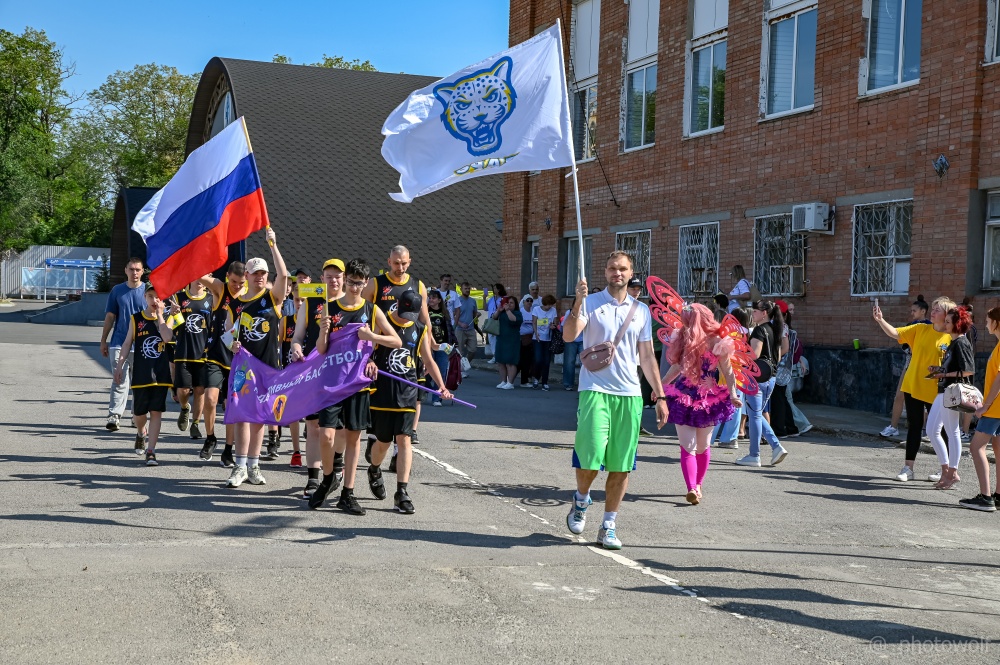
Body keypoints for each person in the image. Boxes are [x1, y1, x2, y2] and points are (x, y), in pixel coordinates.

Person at [561, 251, 669, 550]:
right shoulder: (591, 302)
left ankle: (608, 523)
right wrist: (577, 303)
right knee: (591, 453)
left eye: (622, 269)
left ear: (631, 272)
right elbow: (570, 337)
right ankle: (581, 499)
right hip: (595, 390)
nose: (616, 273)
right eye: (611, 268)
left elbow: (646, 356)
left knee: (622, 464)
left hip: (629, 394)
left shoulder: (641, 310)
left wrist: (660, 396)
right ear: (605, 272)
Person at [307, 258, 402, 515]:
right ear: (345, 279)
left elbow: (396, 340)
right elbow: (322, 350)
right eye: (351, 282)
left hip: (357, 385)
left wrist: (372, 337)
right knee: (326, 435)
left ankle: (348, 493)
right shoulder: (330, 307)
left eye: (360, 283)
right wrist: (322, 332)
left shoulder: (371, 310)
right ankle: (328, 479)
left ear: (366, 283)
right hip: (331, 383)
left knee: (353, 438)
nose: (355, 287)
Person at [367, 290, 452, 514]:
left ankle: (402, 492)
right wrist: (369, 361)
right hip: (383, 392)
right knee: (383, 442)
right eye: (404, 313)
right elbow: (366, 351)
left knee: (404, 440)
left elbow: (428, 360)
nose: (407, 318)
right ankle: (374, 469)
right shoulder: (383, 323)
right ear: (397, 305)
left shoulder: (420, 329)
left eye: (411, 314)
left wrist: (441, 386)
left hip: (407, 392)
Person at [661, 303, 742, 504]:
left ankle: (697, 485)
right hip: (686, 396)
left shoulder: (717, 342)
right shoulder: (684, 338)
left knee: (701, 446)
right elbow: (678, 367)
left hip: (705, 398)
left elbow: (728, 370)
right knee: (690, 446)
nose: (684, 323)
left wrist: (732, 393)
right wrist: (659, 386)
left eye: (686, 319)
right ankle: (692, 488)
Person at [226, 227, 288, 488]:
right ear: (247, 276)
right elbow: (227, 335)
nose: (261, 277)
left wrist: (272, 244)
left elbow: (284, 274)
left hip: (268, 367)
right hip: (243, 367)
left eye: (264, 273)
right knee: (242, 414)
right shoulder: (236, 303)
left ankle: (253, 465)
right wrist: (233, 343)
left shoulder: (273, 298)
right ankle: (239, 466)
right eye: (256, 273)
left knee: (260, 416)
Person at [362, 245, 432, 459]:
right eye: (396, 263)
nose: (400, 267)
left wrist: (429, 349)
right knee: (378, 398)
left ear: (409, 261)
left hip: (408, 350)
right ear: (388, 262)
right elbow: (361, 313)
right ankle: (374, 437)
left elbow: (424, 318)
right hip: (379, 348)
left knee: (411, 397)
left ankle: (398, 452)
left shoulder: (417, 286)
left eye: (404, 263)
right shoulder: (376, 283)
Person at [873, 296, 954, 482]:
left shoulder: (952, 337)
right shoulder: (920, 328)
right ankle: (908, 468)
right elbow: (895, 333)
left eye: (937, 310)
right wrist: (880, 320)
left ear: (947, 315)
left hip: (938, 391)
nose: (932, 312)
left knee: (942, 431)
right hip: (913, 386)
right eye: (932, 309)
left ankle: (945, 470)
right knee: (914, 427)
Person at [289, 258, 346, 496]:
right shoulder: (311, 303)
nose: (333, 280)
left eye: (337, 276)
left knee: (339, 428)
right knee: (313, 425)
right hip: (313, 373)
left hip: (341, 374)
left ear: (343, 278)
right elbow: (298, 336)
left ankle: (338, 462)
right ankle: (313, 476)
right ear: (322, 279)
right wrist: (296, 347)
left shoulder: (351, 304)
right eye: (329, 276)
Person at [113, 282, 173, 465]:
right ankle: (141, 432)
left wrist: (161, 316)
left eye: (158, 297)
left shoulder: (169, 318)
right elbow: (126, 343)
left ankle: (152, 451)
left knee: (156, 412)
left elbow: (167, 337)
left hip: (160, 374)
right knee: (139, 414)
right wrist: (119, 365)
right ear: (145, 298)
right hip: (141, 373)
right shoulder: (136, 318)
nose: (154, 300)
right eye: (151, 296)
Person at [198, 262, 247, 467]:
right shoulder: (221, 288)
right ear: (227, 277)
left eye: (240, 283)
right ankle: (210, 437)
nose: (236, 286)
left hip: (237, 358)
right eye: (234, 282)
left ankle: (228, 449)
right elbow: (197, 274)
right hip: (216, 354)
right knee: (210, 398)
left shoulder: (249, 294)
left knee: (230, 406)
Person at [736, 300, 790, 467]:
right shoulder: (776, 329)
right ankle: (776, 446)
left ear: (765, 312)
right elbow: (779, 355)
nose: (753, 313)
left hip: (756, 378)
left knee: (755, 415)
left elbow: (754, 355)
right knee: (756, 414)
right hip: (771, 377)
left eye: (756, 310)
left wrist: (739, 351)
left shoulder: (760, 330)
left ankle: (754, 454)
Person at [926, 306, 975, 490]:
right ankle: (946, 469)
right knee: (931, 430)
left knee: (952, 431)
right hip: (944, 391)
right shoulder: (953, 342)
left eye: (948, 322)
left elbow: (968, 370)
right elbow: (954, 368)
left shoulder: (961, 342)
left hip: (952, 392)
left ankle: (952, 472)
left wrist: (944, 375)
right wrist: (938, 370)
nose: (945, 324)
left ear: (957, 324)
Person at [959, 306, 1000, 511]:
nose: (985, 324)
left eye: (987, 320)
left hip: (995, 409)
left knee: (976, 447)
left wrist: (985, 406)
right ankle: (998, 495)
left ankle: (985, 497)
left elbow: (999, 380)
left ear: (996, 323)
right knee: (999, 450)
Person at [100, 257, 146, 431]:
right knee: (119, 380)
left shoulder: (148, 291)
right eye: (131, 269)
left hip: (142, 346)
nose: (134, 273)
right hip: (119, 342)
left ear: (142, 272)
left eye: (138, 270)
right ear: (126, 270)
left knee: (139, 383)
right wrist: (103, 340)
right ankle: (114, 416)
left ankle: (137, 415)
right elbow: (110, 317)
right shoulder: (117, 291)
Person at [880, 295, 931, 438]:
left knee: (923, 398)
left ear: (923, 311)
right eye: (911, 311)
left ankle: (925, 429)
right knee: (899, 395)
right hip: (910, 362)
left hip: (924, 365)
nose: (912, 313)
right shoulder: (910, 326)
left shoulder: (930, 326)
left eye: (914, 310)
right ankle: (893, 426)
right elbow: (902, 343)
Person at [168, 280, 212, 442]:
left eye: (203, 278)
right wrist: (173, 314)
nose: (200, 281)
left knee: (200, 390)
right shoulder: (179, 298)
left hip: (203, 353)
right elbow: (175, 325)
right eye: (197, 277)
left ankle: (195, 423)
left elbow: (214, 326)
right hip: (183, 352)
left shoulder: (211, 299)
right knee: (183, 391)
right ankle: (185, 407)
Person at [713, 308, 751, 449]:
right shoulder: (745, 333)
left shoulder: (729, 334)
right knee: (735, 408)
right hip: (740, 374)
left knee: (717, 407)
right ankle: (730, 438)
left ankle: (709, 437)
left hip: (728, 374)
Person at [281, 278, 305, 468]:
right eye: (297, 300)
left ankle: (318, 453)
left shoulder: (316, 320)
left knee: (316, 419)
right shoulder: (286, 321)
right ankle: (296, 451)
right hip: (292, 375)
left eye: (304, 301)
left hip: (312, 375)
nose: (300, 304)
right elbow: (277, 345)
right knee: (294, 414)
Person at [770, 300, 799, 438]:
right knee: (782, 398)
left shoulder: (781, 326)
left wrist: (773, 358)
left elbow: (785, 347)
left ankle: (779, 429)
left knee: (778, 399)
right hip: (782, 367)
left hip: (779, 368)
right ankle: (791, 427)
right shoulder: (782, 326)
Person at [425, 289, 454, 405]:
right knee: (426, 373)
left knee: (441, 372)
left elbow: (450, 330)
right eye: (429, 297)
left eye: (433, 298)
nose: (431, 300)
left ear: (439, 300)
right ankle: (425, 391)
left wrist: (453, 343)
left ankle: (437, 398)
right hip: (428, 346)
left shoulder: (444, 313)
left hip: (442, 346)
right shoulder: (425, 312)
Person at [492, 295, 522, 388]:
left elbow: (513, 320)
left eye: (511, 303)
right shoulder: (502, 313)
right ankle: (503, 381)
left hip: (512, 340)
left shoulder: (517, 313)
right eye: (507, 303)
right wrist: (498, 310)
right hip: (501, 339)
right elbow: (494, 317)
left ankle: (510, 382)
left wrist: (508, 310)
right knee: (501, 361)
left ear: (515, 304)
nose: (509, 305)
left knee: (510, 362)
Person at [531, 294, 558, 390]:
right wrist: (536, 332)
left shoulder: (553, 311)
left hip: (548, 338)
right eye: (547, 305)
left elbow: (555, 323)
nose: (549, 307)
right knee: (538, 360)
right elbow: (534, 322)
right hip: (537, 338)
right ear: (544, 303)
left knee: (546, 361)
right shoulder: (536, 309)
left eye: (551, 305)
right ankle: (536, 378)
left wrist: (553, 326)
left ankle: (545, 382)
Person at [453, 281, 479, 377]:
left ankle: (464, 365)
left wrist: (477, 315)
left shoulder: (473, 301)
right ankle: (460, 370)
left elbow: (475, 313)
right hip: (459, 329)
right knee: (460, 351)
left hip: (471, 329)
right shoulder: (458, 301)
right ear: (461, 289)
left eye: (468, 289)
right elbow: (453, 315)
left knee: (473, 350)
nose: (467, 290)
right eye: (465, 288)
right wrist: (460, 323)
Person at [560, 304, 583, 391]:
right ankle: (568, 384)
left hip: (583, 340)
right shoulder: (569, 312)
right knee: (569, 362)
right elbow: (563, 325)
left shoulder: (587, 312)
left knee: (584, 363)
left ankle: (583, 384)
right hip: (571, 340)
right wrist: (565, 336)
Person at [485, 283, 506, 363]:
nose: (493, 290)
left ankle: (496, 356)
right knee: (491, 338)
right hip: (491, 320)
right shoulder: (491, 298)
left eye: (495, 288)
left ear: (499, 290)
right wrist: (484, 298)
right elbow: (485, 308)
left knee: (495, 339)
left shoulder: (502, 299)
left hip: (498, 320)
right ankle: (495, 355)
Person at [517, 294, 535, 387]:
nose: (529, 302)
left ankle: (525, 380)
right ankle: (512, 378)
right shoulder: (521, 312)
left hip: (531, 338)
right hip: (522, 338)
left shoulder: (534, 311)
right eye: (527, 300)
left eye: (531, 300)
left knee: (528, 360)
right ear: (523, 302)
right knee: (521, 360)